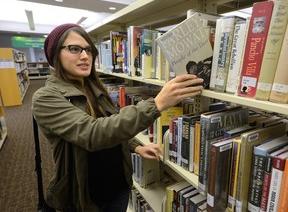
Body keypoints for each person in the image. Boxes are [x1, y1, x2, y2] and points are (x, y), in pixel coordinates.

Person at [32, 23, 204, 212]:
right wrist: (157, 103)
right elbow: (93, 133)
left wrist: (136, 146)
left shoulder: (93, 87)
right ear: (54, 54)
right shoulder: (45, 97)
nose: (84, 56)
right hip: (86, 198)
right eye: (74, 49)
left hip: (118, 186)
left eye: (88, 50)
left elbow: (111, 123)